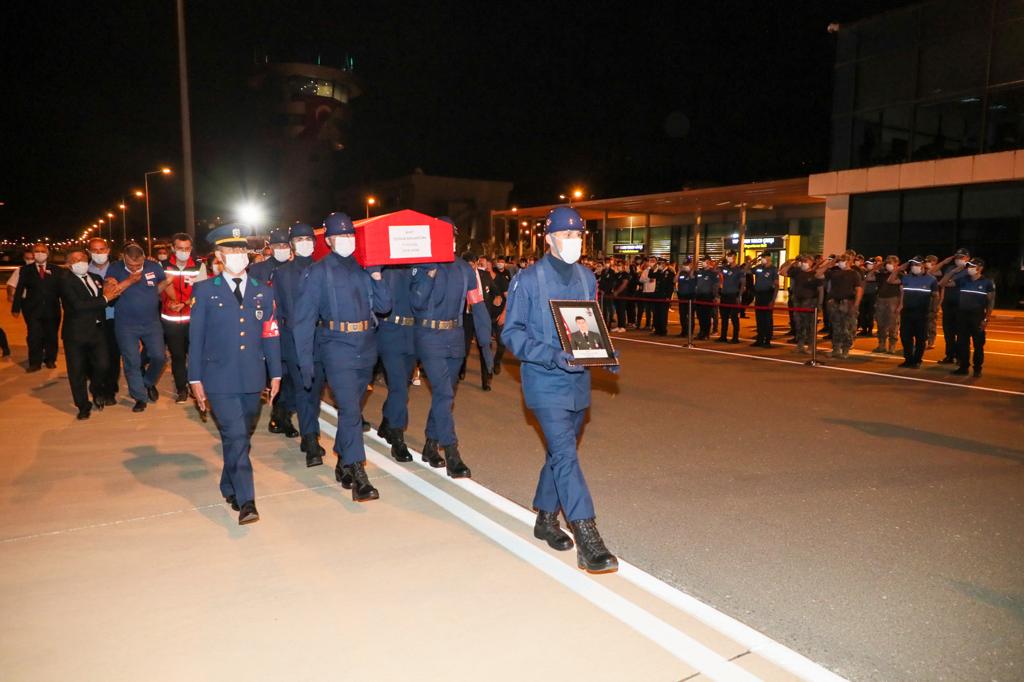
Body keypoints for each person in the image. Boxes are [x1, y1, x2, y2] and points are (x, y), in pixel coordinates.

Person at [502, 206, 618, 573]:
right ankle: (588, 536)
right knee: (566, 453)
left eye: (579, 236)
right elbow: (511, 334)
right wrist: (552, 355)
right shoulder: (528, 279)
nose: (573, 242)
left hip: (577, 381)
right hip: (544, 380)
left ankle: (545, 518)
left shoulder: (586, 277)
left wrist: (604, 352)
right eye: (566, 236)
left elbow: (587, 324)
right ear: (549, 238)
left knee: (559, 453)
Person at [293, 212, 392, 501]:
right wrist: (305, 362)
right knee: (350, 409)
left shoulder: (364, 269)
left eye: (350, 235)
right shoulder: (318, 272)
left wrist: (377, 275)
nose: (347, 240)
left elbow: (385, 306)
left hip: (365, 346)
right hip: (336, 346)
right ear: (329, 239)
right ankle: (359, 474)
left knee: (352, 409)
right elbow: (303, 320)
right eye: (341, 236)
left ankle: (343, 461)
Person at [188, 223, 282, 525]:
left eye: (242, 250)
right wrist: (194, 379)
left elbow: (271, 334)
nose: (239, 255)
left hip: (253, 377)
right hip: (218, 378)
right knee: (237, 435)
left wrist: (275, 373)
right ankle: (247, 500)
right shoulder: (204, 291)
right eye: (232, 251)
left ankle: (228, 484)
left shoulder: (262, 292)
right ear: (219, 256)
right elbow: (196, 337)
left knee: (239, 438)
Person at [409, 216, 492, 479]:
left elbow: (477, 306)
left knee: (445, 396)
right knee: (444, 393)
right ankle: (452, 451)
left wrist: (486, 345)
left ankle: (429, 445)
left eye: (451, 235)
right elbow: (416, 303)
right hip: (429, 335)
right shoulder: (422, 265)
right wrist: (429, 274)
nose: (449, 240)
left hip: (455, 336)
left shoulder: (466, 270)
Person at [270, 224, 326, 466]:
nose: (305, 243)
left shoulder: (323, 269)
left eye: (308, 239)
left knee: (315, 391)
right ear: (293, 244)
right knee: (304, 390)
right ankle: (311, 440)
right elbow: (280, 310)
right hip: (294, 341)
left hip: (322, 341)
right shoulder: (282, 274)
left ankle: (308, 430)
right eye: (299, 239)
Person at [103, 243, 170, 412]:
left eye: (138, 265)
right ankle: (139, 397)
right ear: (123, 257)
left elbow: (161, 285)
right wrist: (130, 280)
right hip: (126, 324)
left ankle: (147, 383)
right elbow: (109, 294)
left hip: (151, 322)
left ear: (144, 258)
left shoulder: (153, 266)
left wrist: (171, 298)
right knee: (131, 362)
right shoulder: (115, 268)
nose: (135, 268)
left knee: (159, 357)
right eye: (131, 265)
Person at [59, 249, 122, 419]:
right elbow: (78, 305)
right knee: (77, 372)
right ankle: (83, 406)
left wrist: (114, 289)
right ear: (68, 264)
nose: (80, 262)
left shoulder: (97, 279)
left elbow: (108, 301)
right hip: (75, 335)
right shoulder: (65, 281)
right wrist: (105, 298)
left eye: (83, 258)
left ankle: (96, 389)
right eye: (75, 259)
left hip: (98, 332)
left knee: (103, 365)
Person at [249, 228, 299, 438]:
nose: (281, 250)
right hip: (267, 331)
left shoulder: (297, 268)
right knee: (277, 374)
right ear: (270, 247)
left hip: (291, 330)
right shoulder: (258, 270)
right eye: (277, 246)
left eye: (285, 246)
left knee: (292, 376)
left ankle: (282, 414)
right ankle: (279, 416)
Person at [375, 263, 417, 463]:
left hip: (412, 333)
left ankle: (387, 421)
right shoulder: (386, 268)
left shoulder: (420, 267)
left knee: (402, 386)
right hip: (390, 330)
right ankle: (398, 438)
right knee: (399, 387)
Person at [160, 233, 207, 404]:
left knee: (195, 355)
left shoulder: (198, 266)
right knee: (178, 356)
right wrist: (170, 301)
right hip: (171, 320)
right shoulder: (162, 266)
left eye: (187, 249)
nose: (184, 252)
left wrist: (185, 302)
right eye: (180, 248)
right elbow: (156, 290)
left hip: (193, 319)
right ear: (173, 248)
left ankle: (196, 386)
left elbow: (202, 292)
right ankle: (181, 389)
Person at [939, 258, 995, 377]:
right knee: (962, 343)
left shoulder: (987, 282)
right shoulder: (963, 280)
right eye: (969, 266)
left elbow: (990, 302)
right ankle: (963, 367)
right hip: (962, 315)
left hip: (977, 316)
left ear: (980, 268)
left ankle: (977, 369)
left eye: (973, 266)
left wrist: (986, 319)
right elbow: (942, 284)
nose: (970, 268)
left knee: (978, 344)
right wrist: (953, 271)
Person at [12, 242, 62, 372]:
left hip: (52, 309)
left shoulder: (56, 269)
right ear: (33, 254)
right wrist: (16, 307)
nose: (40, 253)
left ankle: (50, 359)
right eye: (37, 251)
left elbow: (64, 290)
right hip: (32, 310)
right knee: (34, 336)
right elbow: (19, 289)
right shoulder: (25, 270)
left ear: (48, 253)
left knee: (51, 335)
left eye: (43, 251)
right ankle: (35, 362)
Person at [87, 238, 120, 405]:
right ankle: (97, 388)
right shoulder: (84, 271)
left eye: (102, 249)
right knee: (96, 359)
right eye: (95, 250)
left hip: (114, 319)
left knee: (113, 357)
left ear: (108, 250)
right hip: (94, 321)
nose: (99, 253)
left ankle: (110, 391)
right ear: (89, 252)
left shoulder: (118, 269)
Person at [890, 256, 938, 369]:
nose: (914, 267)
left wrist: (933, 310)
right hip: (907, 312)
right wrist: (899, 268)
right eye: (912, 264)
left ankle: (917, 360)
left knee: (920, 338)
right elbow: (891, 280)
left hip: (922, 312)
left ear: (922, 265)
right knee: (905, 336)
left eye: (916, 264)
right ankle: (908, 359)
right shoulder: (906, 278)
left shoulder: (931, 279)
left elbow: (936, 296)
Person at [816, 253, 862, 359]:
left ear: (849, 261)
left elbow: (859, 289)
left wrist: (856, 304)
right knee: (836, 327)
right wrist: (830, 263)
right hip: (835, 302)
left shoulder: (854, 273)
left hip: (848, 303)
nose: (840, 262)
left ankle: (845, 350)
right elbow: (818, 274)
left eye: (842, 260)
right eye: (839, 260)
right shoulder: (834, 272)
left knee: (847, 327)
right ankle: (836, 349)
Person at [935, 248, 972, 364]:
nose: (959, 260)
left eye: (962, 257)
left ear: (968, 258)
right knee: (948, 333)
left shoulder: (970, 270)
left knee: (962, 333)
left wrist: (948, 280)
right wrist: (944, 262)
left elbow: (949, 283)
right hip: (948, 304)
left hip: (962, 305)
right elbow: (936, 276)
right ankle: (950, 356)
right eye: (957, 258)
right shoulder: (950, 268)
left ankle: (961, 357)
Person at [780, 255, 821, 354]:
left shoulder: (815, 273)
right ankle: (800, 345)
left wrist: (819, 304)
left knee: (810, 325)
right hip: (798, 301)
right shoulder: (797, 272)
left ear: (811, 262)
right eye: (802, 261)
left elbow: (821, 289)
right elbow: (782, 272)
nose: (804, 263)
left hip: (810, 302)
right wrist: (791, 263)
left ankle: (811, 346)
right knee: (799, 324)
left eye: (806, 261)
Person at [748, 252, 779, 348]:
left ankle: (768, 340)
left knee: (767, 319)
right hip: (759, 296)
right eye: (762, 258)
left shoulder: (773, 269)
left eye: (764, 257)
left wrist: (773, 300)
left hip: (768, 295)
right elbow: (746, 270)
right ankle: (760, 339)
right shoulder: (758, 267)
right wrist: (754, 260)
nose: (762, 259)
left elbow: (776, 285)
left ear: (769, 258)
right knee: (759, 318)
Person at [873, 255, 901, 354]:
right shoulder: (881, 273)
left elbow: (902, 290)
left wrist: (901, 304)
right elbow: (869, 276)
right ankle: (881, 344)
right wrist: (879, 265)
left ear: (897, 263)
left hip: (893, 300)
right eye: (887, 262)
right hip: (881, 299)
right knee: (881, 323)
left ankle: (892, 346)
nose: (888, 264)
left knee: (893, 324)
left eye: (891, 262)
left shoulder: (900, 274)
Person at [716, 250, 744, 344]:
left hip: (733, 295)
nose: (728, 258)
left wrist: (739, 296)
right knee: (724, 317)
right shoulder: (725, 268)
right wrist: (721, 258)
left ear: (734, 257)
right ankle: (723, 336)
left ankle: (735, 338)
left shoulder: (739, 269)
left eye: (730, 256)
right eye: (727, 256)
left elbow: (743, 283)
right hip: (724, 295)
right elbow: (714, 268)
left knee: (734, 317)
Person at [693, 256, 719, 340]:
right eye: (702, 261)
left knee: (706, 316)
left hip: (708, 296)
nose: (703, 262)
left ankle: (706, 334)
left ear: (709, 262)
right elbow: (695, 281)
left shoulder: (713, 273)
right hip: (699, 296)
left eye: (704, 261)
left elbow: (716, 285)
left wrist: (716, 296)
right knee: (700, 316)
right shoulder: (700, 271)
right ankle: (701, 332)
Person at [651, 258, 675, 336]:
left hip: (664, 296)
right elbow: (650, 275)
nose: (659, 265)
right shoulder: (659, 272)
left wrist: (668, 296)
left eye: (660, 263)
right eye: (659, 263)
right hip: (657, 295)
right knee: (656, 313)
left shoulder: (670, 273)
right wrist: (653, 267)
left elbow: (671, 286)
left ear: (664, 263)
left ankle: (663, 330)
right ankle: (657, 329)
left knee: (663, 314)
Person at [858, 256, 881, 337]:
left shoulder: (877, 273)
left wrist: (874, 270)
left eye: (871, 264)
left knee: (871, 314)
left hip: (872, 296)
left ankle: (870, 330)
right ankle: (864, 329)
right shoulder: (863, 272)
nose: (869, 265)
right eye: (868, 264)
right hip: (864, 295)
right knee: (863, 313)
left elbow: (869, 279)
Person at [675, 257, 696, 338]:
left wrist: (691, 270)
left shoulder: (694, 272)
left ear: (690, 264)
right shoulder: (681, 273)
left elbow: (692, 277)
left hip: (690, 296)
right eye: (684, 264)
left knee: (690, 315)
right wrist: (679, 271)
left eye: (687, 264)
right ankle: (684, 331)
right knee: (682, 315)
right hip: (682, 296)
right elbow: (674, 280)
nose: (685, 266)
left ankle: (690, 332)